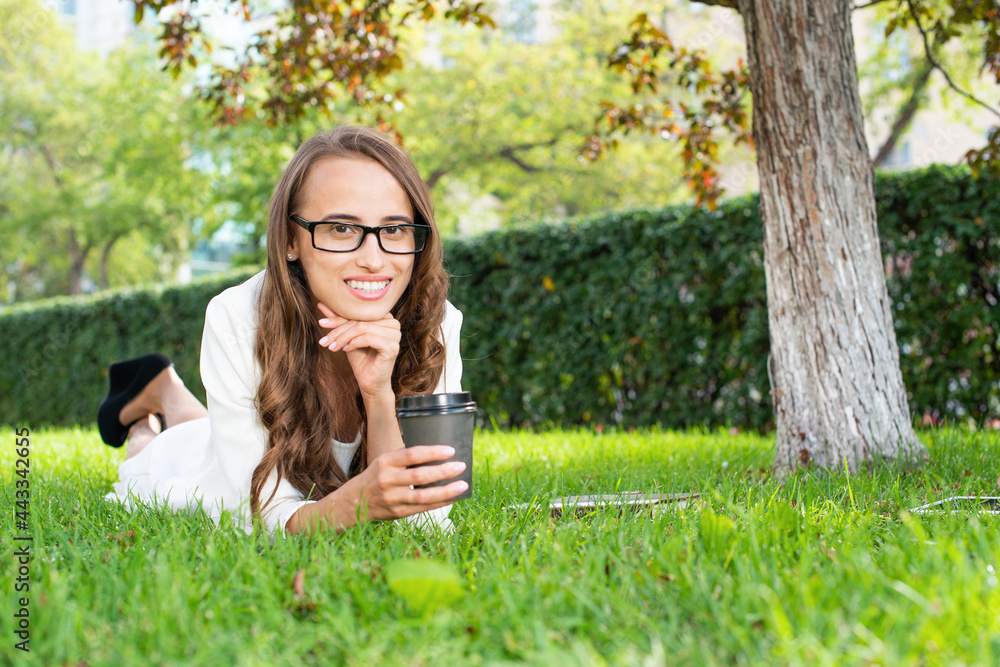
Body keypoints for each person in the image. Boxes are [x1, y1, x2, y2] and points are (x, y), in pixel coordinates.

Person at [99, 126, 468, 536]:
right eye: (341, 229)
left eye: (395, 229)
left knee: (204, 432)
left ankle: (162, 386)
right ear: (291, 240)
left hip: (226, 439)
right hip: (196, 466)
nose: (373, 259)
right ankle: (147, 412)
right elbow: (258, 511)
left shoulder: (435, 320)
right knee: (153, 467)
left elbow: (424, 515)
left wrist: (378, 395)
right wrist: (355, 504)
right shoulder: (237, 318)